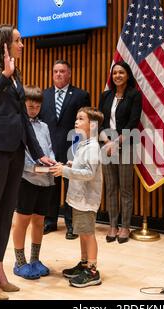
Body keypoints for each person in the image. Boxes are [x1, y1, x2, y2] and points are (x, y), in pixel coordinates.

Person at [0, 24, 55, 300]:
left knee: (6, 212)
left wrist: (38, 151)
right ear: (4, 44)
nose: (23, 44)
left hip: (16, 152)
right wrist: (4, 76)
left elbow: (22, 119)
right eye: (18, 40)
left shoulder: (16, 75)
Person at [50, 107, 104, 287]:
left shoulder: (94, 147)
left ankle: (93, 271)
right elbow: (83, 167)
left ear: (92, 125)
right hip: (78, 198)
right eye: (76, 118)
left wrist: (66, 170)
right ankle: (84, 263)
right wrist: (72, 164)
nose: (76, 122)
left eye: (81, 119)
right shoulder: (84, 144)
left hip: (86, 200)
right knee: (81, 232)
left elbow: (89, 173)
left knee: (88, 233)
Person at [39, 60, 90, 240]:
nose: (59, 74)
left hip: (72, 149)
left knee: (72, 188)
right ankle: (50, 221)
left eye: (62, 71)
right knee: (51, 187)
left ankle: (71, 224)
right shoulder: (43, 95)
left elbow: (83, 126)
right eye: (55, 71)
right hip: (50, 149)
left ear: (69, 74)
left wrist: (78, 149)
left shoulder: (80, 95)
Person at [12, 85, 55, 280]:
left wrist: (53, 163)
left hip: (45, 181)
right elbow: (19, 154)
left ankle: (35, 259)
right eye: (30, 106)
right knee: (22, 221)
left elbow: (49, 149)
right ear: (23, 105)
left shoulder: (44, 126)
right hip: (26, 179)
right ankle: (20, 261)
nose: (34, 110)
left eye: (37, 107)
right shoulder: (18, 125)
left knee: (39, 221)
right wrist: (33, 168)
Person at [98, 61, 142, 244]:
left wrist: (117, 143)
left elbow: (133, 122)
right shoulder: (105, 95)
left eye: (121, 72)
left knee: (125, 189)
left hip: (126, 146)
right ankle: (113, 225)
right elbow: (100, 121)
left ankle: (125, 226)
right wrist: (107, 142)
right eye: (115, 73)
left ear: (127, 75)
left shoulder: (134, 95)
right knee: (110, 189)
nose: (117, 75)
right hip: (107, 146)